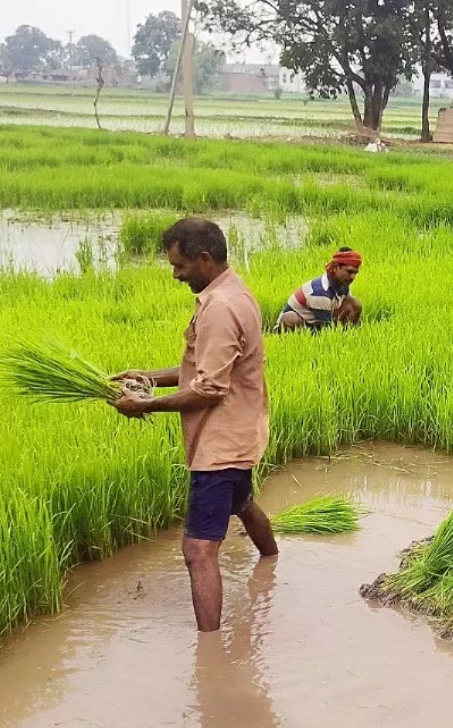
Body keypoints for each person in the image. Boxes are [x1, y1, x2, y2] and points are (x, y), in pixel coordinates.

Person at [110, 217, 276, 633]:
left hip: (220, 445)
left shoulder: (220, 308)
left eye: (180, 266)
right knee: (241, 504)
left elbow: (209, 389)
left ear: (204, 259)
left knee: (199, 550)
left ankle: (211, 653)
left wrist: (144, 405)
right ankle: (271, 565)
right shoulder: (234, 291)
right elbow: (205, 370)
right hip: (242, 431)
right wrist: (149, 376)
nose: (175, 275)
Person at [276, 247, 363, 332]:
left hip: (318, 321)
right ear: (336, 267)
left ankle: (348, 333)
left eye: (355, 273)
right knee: (291, 318)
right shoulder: (320, 292)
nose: (353, 277)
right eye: (349, 272)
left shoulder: (343, 284)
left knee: (354, 304)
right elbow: (326, 331)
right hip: (302, 322)